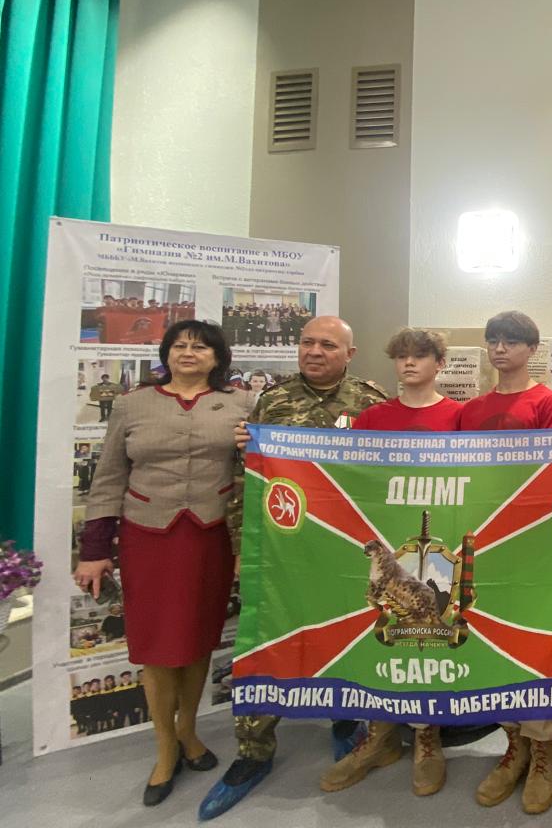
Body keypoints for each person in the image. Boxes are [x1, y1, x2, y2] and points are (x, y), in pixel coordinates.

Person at [198, 316, 389, 821]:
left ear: (349, 354)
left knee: (346, 634)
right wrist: (242, 545)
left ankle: (346, 720)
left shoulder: (372, 403)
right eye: (307, 342)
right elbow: (247, 476)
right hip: (283, 547)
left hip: (345, 549)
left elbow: (389, 476)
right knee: (267, 640)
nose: (315, 351)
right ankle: (253, 752)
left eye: (328, 344)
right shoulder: (273, 401)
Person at [74, 320, 254, 807]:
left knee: (197, 638)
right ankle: (164, 749)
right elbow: (108, 478)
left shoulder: (242, 404)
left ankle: (189, 731)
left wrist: (253, 447)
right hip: (148, 536)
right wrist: (94, 550)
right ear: (166, 353)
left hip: (211, 535)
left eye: (200, 347)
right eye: (179, 345)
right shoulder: (132, 405)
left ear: (218, 358)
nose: (188, 352)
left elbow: (259, 471)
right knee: (156, 645)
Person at [321, 327, 461, 797]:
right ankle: (378, 735)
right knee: (377, 634)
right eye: (401, 356)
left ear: (440, 363)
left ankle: (427, 737)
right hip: (384, 541)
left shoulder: (459, 417)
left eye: (419, 355)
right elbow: (350, 479)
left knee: (426, 636)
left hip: (434, 543)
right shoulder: (373, 417)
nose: (408, 364)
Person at [461, 311, 552, 814]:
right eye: (493, 340)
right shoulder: (472, 409)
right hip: (481, 542)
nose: (500, 349)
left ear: (532, 349)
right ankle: (513, 743)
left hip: (529, 543)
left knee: (532, 645)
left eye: (511, 341)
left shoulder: (548, 403)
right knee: (491, 642)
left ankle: (545, 748)